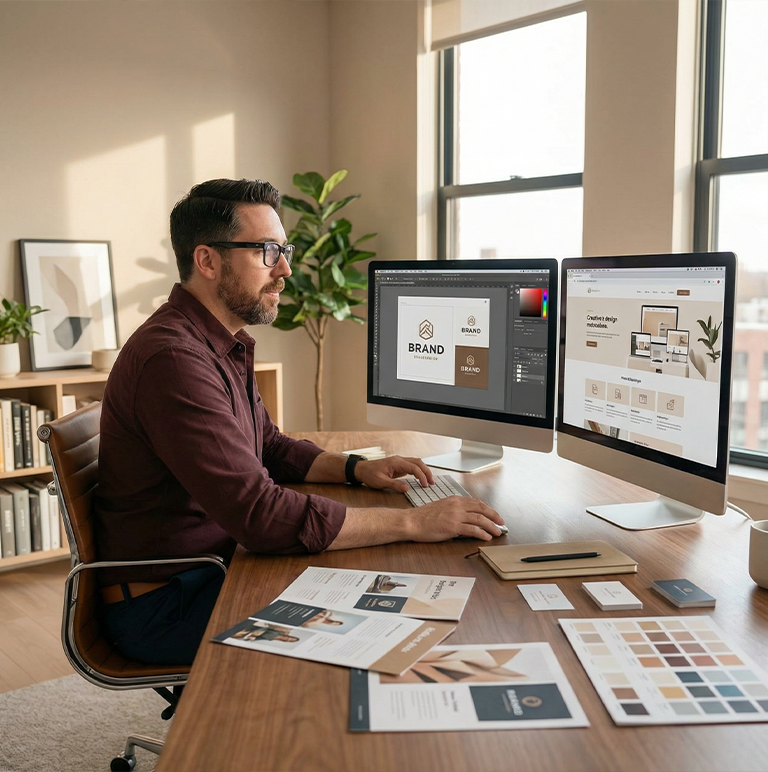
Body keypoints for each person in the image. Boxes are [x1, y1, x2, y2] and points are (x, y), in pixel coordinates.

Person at [94, 177, 504, 666]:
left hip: (215, 568)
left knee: (388, 582)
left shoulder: (215, 342)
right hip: (170, 603)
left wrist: (354, 468)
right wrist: (414, 520)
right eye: (267, 251)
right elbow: (260, 517)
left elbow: (267, 446)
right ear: (206, 260)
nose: (285, 269)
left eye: (283, 249)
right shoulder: (173, 359)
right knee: (396, 620)